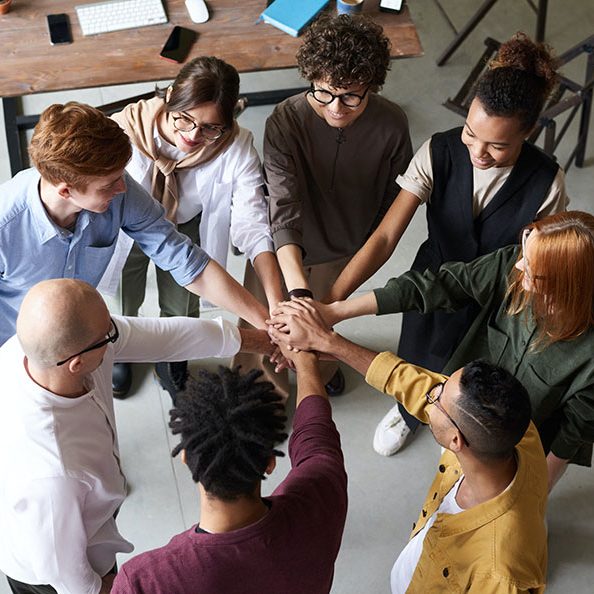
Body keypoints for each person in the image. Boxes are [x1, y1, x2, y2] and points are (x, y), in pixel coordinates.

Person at [324, 32, 567, 454]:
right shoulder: (439, 151)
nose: (478, 151)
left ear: (528, 133)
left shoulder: (547, 182)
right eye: (472, 133)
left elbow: (543, 259)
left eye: (498, 145)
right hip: (432, 280)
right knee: (419, 351)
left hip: (497, 295)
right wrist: (332, 305)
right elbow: (384, 237)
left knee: (478, 373)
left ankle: (458, 422)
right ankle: (408, 412)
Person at [0, 278, 275, 594]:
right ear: (76, 363)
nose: (115, 334)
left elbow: (164, 337)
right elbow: (63, 572)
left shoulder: (44, 352)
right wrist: (105, 588)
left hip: (80, 512)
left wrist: (264, 341)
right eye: (108, 334)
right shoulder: (55, 474)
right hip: (50, 572)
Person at [293, 211, 594, 489]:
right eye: (523, 254)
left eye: (531, 269)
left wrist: (535, 491)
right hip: (461, 404)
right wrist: (337, 311)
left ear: (568, 285)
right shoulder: (512, 264)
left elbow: (572, 434)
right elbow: (441, 286)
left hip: (517, 446)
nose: (518, 265)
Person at [268, 300, 548, 593]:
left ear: (456, 440)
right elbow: (413, 382)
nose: (431, 392)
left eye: (437, 397)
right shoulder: (515, 430)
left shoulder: (501, 571)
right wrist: (328, 342)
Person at [0, 102, 270, 385]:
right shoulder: (6, 224)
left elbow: (184, 259)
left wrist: (266, 324)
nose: (123, 188)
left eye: (121, 176)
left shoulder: (115, 187)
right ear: (66, 190)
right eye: (109, 185)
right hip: (13, 349)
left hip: (81, 341)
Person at [251, 13, 413, 396]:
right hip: (283, 245)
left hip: (341, 248)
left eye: (351, 96)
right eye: (323, 93)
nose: (336, 107)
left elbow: (392, 209)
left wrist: (318, 304)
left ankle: (318, 375)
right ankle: (265, 395)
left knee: (320, 328)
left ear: (372, 86)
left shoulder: (392, 125)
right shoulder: (286, 120)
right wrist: (299, 295)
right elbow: (283, 207)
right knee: (266, 324)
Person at [111, 56, 283, 399]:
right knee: (122, 292)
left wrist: (276, 307)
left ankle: (171, 356)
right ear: (171, 96)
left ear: (230, 117)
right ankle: (122, 346)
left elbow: (252, 223)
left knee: (183, 302)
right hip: (127, 226)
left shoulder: (236, 145)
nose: (192, 136)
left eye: (209, 128)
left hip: (186, 224)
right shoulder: (125, 128)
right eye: (184, 119)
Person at [111, 352, 347, 593]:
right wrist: (306, 363)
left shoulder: (144, 582)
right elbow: (316, 435)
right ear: (269, 462)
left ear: (185, 458)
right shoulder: (322, 494)